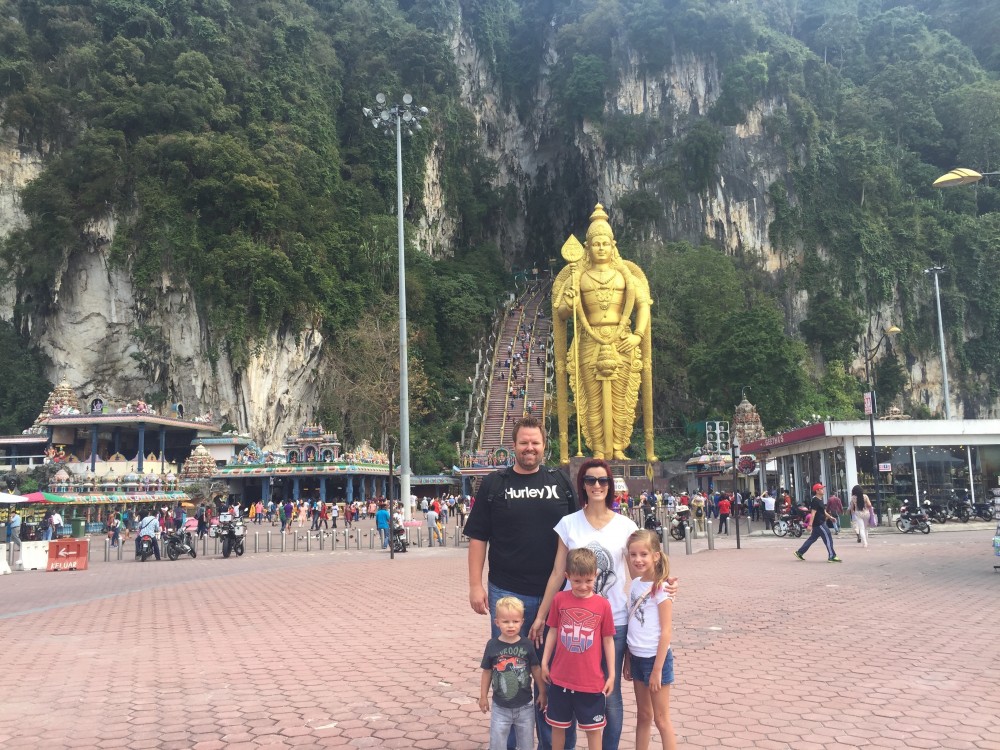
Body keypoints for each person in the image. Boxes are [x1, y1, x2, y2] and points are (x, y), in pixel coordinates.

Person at [465, 415, 577, 750]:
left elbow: (580, 531)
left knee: (552, 672)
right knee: (509, 674)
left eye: (536, 442)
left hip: (554, 595)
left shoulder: (560, 482)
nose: (530, 448)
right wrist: (475, 585)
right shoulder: (494, 484)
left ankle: (553, 743)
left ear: (545, 446)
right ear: (513, 446)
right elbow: (477, 537)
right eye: (524, 442)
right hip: (507, 594)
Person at [529, 458, 638, 750]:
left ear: (610, 485)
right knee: (568, 687)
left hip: (613, 618)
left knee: (609, 692)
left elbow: (641, 571)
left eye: (603, 480)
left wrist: (664, 584)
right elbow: (557, 573)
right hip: (572, 621)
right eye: (591, 480)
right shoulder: (569, 523)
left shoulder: (626, 526)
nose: (597, 485)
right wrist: (542, 616)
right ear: (583, 485)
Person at [552, 204, 655, 462]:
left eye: (604, 243)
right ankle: (598, 448)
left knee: (621, 399)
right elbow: (562, 313)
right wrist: (569, 300)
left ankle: (618, 447)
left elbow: (643, 306)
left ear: (613, 245)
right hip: (589, 340)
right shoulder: (578, 276)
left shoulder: (626, 275)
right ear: (587, 247)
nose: (600, 248)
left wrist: (637, 335)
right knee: (592, 397)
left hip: (622, 340)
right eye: (595, 243)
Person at [540, 548, 615, 750]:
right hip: (560, 679)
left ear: (596, 576)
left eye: (588, 581)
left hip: (591, 682)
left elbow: (608, 640)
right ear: (567, 577)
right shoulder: (559, 600)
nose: (583, 586)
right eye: (577, 581)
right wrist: (545, 663)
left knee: (593, 730)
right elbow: (553, 632)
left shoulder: (603, 605)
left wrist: (612, 674)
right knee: (558, 727)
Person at [624, 529, 676, 750]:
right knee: (643, 715)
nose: (638, 559)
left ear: (655, 555)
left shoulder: (662, 588)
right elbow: (632, 622)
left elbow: (666, 631)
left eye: (644, 554)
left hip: (656, 659)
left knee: (661, 719)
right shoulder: (635, 584)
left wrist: (657, 669)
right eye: (633, 554)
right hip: (636, 657)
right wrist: (627, 658)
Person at [480, 596, 545, 750]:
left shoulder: (527, 644)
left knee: (526, 745)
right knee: (497, 745)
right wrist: (483, 696)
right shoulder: (492, 645)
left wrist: (543, 692)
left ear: (522, 622)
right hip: (500, 708)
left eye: (515, 622)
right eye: (505, 621)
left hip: (525, 707)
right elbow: (487, 672)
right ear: (497, 622)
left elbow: (536, 669)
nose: (511, 626)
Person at [794, 484, 841, 562]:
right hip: (819, 524)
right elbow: (813, 513)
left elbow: (823, 511)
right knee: (828, 536)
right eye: (821, 489)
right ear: (817, 491)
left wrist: (831, 517)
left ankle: (799, 552)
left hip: (818, 524)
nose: (823, 490)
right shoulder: (815, 500)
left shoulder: (819, 500)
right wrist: (810, 525)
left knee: (811, 539)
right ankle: (832, 556)